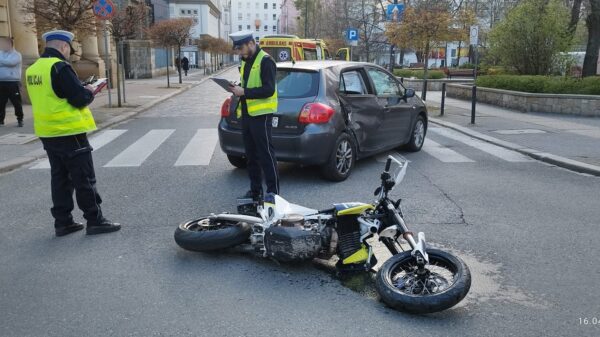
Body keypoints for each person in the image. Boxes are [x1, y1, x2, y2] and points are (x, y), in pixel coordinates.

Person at [25, 30, 120, 237]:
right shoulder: (60, 66)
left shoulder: (33, 69)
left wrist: (79, 88)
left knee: (60, 178)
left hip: (47, 132)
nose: (69, 53)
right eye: (69, 49)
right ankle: (95, 220)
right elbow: (78, 99)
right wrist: (90, 91)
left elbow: (53, 94)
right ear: (63, 46)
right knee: (84, 178)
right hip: (69, 131)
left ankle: (63, 222)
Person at [228, 30, 279, 201]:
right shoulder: (245, 61)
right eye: (237, 50)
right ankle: (255, 191)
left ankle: (273, 192)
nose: (239, 52)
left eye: (240, 48)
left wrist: (245, 91)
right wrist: (237, 89)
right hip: (248, 115)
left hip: (262, 116)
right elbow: (247, 84)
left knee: (266, 155)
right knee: (251, 156)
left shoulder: (266, 61)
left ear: (251, 43)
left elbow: (269, 89)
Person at [0, 36, 23, 127]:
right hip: (1, 82)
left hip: (13, 82)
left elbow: (12, 63)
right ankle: (1, 120)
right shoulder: (0, 53)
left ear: (10, 44)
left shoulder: (17, 54)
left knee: (16, 102)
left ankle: (20, 119)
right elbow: (8, 63)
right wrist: (5, 62)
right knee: (1, 102)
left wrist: (2, 62)